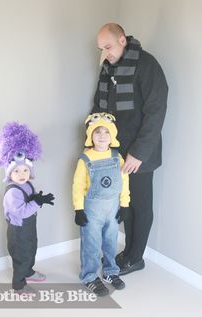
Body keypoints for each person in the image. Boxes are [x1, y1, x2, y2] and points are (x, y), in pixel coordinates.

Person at [91, 23, 168, 275]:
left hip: (140, 155)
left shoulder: (147, 65)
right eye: (102, 48)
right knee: (127, 204)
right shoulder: (108, 69)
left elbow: (155, 113)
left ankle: (136, 257)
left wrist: (138, 153)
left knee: (141, 205)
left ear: (122, 40)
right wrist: (95, 137)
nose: (106, 53)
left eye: (109, 46)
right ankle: (128, 252)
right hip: (116, 152)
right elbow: (99, 108)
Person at [72, 112, 130, 296]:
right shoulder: (85, 159)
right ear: (91, 136)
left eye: (106, 131)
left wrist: (125, 204)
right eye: (98, 132)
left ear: (112, 135)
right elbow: (78, 186)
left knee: (111, 242)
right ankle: (89, 276)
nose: (102, 136)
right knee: (91, 244)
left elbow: (124, 181)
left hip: (112, 209)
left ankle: (110, 272)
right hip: (92, 211)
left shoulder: (117, 156)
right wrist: (79, 209)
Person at [0, 122, 55, 293]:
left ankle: (28, 271)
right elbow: (21, 210)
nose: (22, 175)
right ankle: (19, 284)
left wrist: (37, 197)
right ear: (10, 173)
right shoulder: (12, 192)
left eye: (25, 171)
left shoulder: (27, 185)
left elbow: (30, 200)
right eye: (17, 172)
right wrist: (37, 202)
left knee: (31, 249)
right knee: (21, 255)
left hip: (28, 227)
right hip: (18, 230)